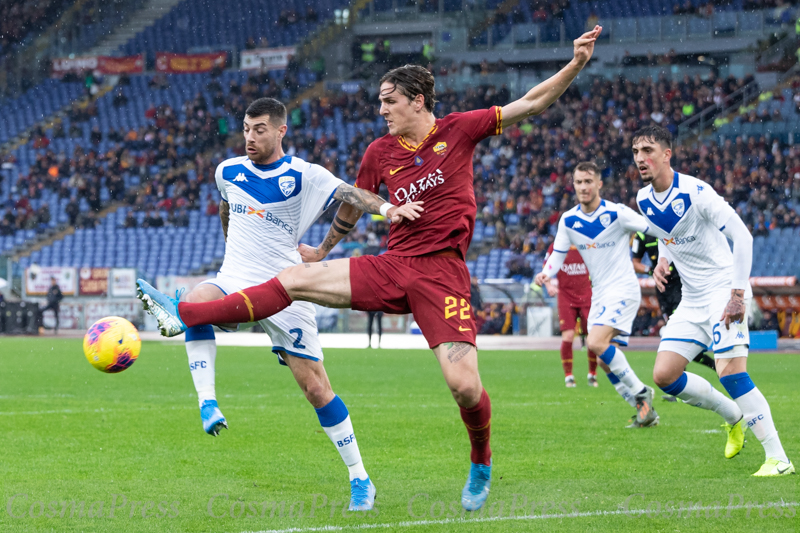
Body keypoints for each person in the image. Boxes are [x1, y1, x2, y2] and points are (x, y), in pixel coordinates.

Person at [136, 26, 604, 511]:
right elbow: (353, 205)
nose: (381, 110)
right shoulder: (378, 153)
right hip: (391, 265)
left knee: (464, 387)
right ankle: (184, 313)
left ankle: (481, 459)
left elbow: (530, 103)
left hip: (441, 273)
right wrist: (323, 247)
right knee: (294, 279)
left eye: (389, 101)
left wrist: (574, 65)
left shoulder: (461, 129)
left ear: (417, 101)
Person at [152, 97, 422, 511]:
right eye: (246, 128)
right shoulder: (227, 170)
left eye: (260, 129)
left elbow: (352, 194)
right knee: (195, 302)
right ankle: (208, 402)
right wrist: (233, 253)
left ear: (280, 131)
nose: (250, 137)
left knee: (316, 388)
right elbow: (227, 209)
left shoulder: (303, 174)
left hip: (288, 288)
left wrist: (388, 209)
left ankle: (360, 478)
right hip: (235, 280)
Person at [632, 125, 793, 476]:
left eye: (647, 150)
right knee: (664, 374)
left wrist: (737, 295)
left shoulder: (696, 191)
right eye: (635, 152)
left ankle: (778, 458)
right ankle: (732, 415)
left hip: (724, 290)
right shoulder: (644, 199)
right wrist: (662, 260)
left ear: (666, 154)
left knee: (731, 372)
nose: (641, 158)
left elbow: (743, 235)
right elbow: (664, 234)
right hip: (692, 298)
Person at [534, 162, 659, 428]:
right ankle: (644, 411)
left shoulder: (617, 213)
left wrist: (663, 258)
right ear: (573, 185)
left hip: (624, 289)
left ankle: (641, 392)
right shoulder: (568, 220)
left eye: (588, 181)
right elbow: (557, 254)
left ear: (599, 184)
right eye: (579, 182)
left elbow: (653, 228)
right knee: (604, 359)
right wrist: (546, 273)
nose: (583, 187)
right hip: (600, 294)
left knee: (595, 342)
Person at [631, 229, 717, 402]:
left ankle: (708, 367)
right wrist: (651, 270)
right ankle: (696, 374)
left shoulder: (671, 227)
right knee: (676, 337)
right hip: (663, 290)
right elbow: (635, 262)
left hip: (683, 286)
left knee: (680, 335)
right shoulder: (641, 235)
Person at [542, 241, 597, 388]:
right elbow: (546, 267)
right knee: (568, 336)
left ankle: (592, 373)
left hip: (586, 296)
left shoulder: (586, 242)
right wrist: (548, 285)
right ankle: (568, 376)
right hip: (566, 296)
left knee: (591, 337)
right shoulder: (556, 245)